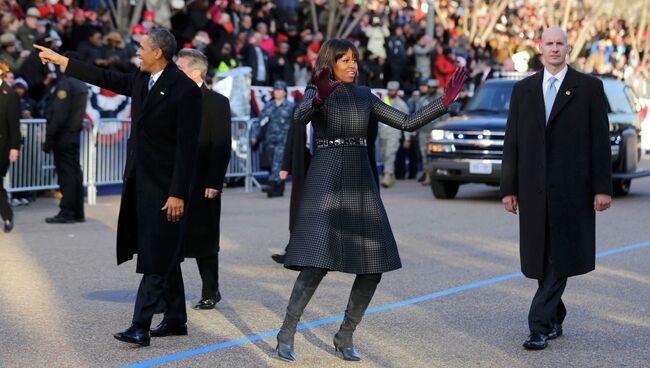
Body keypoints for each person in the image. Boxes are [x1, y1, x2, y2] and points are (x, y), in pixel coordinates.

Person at [275, 39, 466, 362]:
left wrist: (442, 103)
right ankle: (286, 332)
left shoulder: (365, 96)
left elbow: (406, 122)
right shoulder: (316, 92)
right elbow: (299, 119)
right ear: (330, 64)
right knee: (315, 265)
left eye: (355, 60)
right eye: (345, 60)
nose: (353, 65)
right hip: (326, 178)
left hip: (360, 180)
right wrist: (319, 97)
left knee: (373, 265)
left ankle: (345, 334)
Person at [35, 28, 202, 347]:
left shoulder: (184, 90)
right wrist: (63, 61)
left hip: (168, 188)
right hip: (141, 182)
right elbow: (105, 77)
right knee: (161, 249)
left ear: (159, 53)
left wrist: (178, 192)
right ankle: (177, 318)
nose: (137, 52)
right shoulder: (141, 80)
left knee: (156, 255)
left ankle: (140, 325)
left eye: (142, 48)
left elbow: (187, 147)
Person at [500, 27, 612, 350]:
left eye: (559, 43)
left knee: (560, 255)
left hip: (572, 191)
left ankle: (537, 326)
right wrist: (509, 188)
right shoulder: (523, 90)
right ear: (540, 48)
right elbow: (512, 143)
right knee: (541, 256)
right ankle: (555, 316)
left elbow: (600, 144)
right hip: (533, 191)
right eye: (548, 43)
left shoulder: (589, 88)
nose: (554, 49)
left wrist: (602, 188)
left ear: (568, 48)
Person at [175, 48, 231, 310]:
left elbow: (221, 145)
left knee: (204, 240)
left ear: (195, 72)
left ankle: (211, 289)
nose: (174, 72)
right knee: (171, 240)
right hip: (175, 180)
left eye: (180, 68)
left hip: (202, 182)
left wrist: (213, 182)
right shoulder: (171, 98)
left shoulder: (217, 103)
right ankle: (168, 295)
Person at [43, 52, 88, 224]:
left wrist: (49, 138)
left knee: (66, 175)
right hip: (74, 135)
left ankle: (67, 211)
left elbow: (59, 116)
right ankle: (77, 211)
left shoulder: (66, 84)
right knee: (75, 173)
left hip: (64, 136)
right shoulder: (80, 84)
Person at [254, 80, 293, 197]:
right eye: (275, 90)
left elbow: (295, 125)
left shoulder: (290, 107)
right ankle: (278, 188)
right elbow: (259, 122)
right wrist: (254, 136)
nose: (277, 92)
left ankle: (272, 184)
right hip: (270, 140)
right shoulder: (268, 106)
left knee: (278, 162)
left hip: (283, 141)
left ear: (285, 92)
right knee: (273, 164)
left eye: (280, 90)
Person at [0, 59, 20, 233]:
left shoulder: (9, 94)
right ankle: (7, 215)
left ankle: (7, 216)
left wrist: (14, 147)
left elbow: (14, 124)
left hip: (3, 146)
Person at [379, 81, 410, 188]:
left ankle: (387, 175)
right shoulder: (382, 101)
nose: (391, 91)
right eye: (390, 90)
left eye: (393, 90)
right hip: (383, 133)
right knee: (383, 155)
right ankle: (390, 175)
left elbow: (407, 122)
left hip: (394, 133)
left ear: (397, 91)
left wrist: (407, 138)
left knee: (389, 154)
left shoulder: (401, 104)